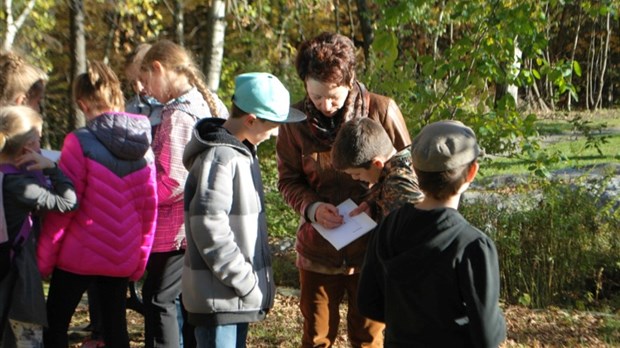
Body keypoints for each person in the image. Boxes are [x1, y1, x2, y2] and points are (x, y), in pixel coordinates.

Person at [276, 32, 411, 347]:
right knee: (316, 337)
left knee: (369, 338)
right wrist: (312, 209)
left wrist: (375, 205)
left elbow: (406, 173)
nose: (325, 105)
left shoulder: (382, 110)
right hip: (317, 251)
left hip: (372, 250)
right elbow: (288, 180)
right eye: (316, 95)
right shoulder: (293, 123)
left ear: (351, 82)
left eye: (333, 96)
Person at [37, 61, 157, 348]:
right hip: (120, 257)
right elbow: (148, 210)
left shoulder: (79, 142)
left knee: (53, 325)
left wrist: (43, 259)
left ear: (81, 103)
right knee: (116, 330)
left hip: (78, 256)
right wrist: (139, 260)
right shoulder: (144, 147)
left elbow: (65, 208)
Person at [357, 120, 507, 347]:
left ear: (415, 171)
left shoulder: (388, 227)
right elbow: (488, 336)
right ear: (472, 172)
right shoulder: (472, 246)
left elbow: (368, 303)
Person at [182, 72, 305, 347]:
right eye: (273, 125)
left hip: (232, 298)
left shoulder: (240, 152)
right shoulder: (221, 157)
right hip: (221, 299)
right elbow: (208, 227)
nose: (276, 133)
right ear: (251, 119)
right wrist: (245, 281)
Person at [139, 39, 229, 348]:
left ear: (159, 69)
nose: (145, 90)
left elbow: (174, 181)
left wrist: (139, 197)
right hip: (196, 223)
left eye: (147, 80)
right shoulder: (209, 102)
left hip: (174, 229)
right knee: (187, 301)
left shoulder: (177, 114)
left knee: (158, 300)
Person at [0, 105, 78, 347]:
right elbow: (68, 202)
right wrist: (53, 169)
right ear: (28, 147)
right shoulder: (20, 185)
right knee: (28, 339)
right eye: (39, 140)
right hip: (18, 276)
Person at [331, 117, 423, 219]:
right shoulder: (411, 157)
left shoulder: (396, 184)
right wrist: (373, 204)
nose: (355, 178)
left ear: (377, 164)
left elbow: (415, 227)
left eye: (357, 173)